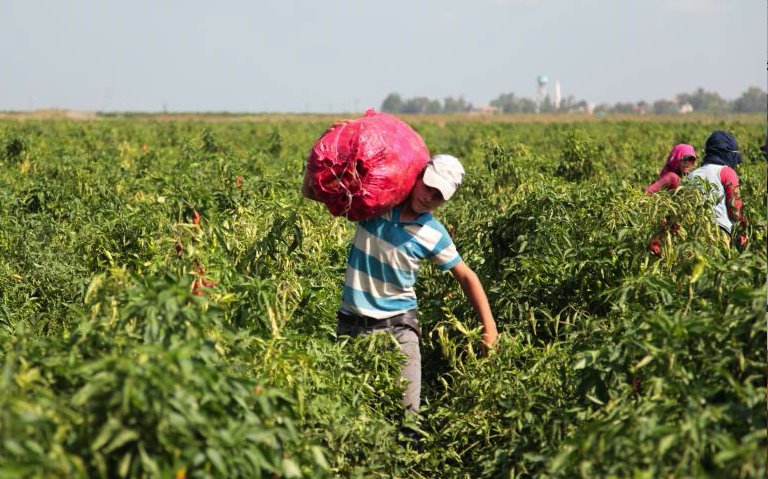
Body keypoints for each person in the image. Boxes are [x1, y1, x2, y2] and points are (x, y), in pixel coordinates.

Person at [325, 154, 498, 415]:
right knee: (348, 417)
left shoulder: (433, 232)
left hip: (398, 327)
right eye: (428, 186)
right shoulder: (378, 202)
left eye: (438, 196)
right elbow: (325, 187)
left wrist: (489, 327)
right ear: (417, 175)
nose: (429, 197)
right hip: (350, 324)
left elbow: (466, 276)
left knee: (407, 420)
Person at [687, 130, 747, 247]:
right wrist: (743, 228)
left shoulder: (692, 175)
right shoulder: (726, 172)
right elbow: (735, 207)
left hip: (694, 234)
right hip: (720, 233)